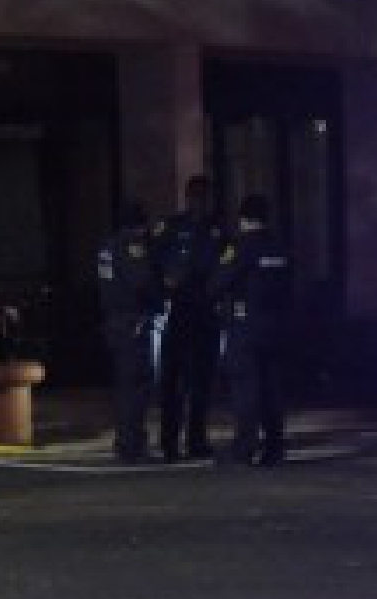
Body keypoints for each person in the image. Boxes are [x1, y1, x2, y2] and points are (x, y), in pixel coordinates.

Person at [211, 193, 292, 467]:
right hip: (276, 327)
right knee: (272, 389)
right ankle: (274, 448)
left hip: (245, 327)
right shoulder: (279, 247)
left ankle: (244, 448)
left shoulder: (241, 246)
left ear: (243, 219)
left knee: (245, 388)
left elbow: (217, 283)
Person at [151, 175, 227, 462]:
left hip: (204, 311)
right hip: (179, 309)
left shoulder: (217, 229)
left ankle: (195, 439)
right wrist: (164, 292)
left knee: (201, 381)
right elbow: (155, 264)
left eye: (203, 197)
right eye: (197, 197)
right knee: (174, 380)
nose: (200, 203)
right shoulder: (170, 228)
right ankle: (171, 442)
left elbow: (223, 267)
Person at [96, 200, 161, 463]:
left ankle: (125, 442)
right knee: (137, 387)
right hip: (133, 322)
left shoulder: (106, 248)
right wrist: (158, 298)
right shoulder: (131, 248)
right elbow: (141, 282)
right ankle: (133, 445)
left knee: (125, 386)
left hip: (114, 321)